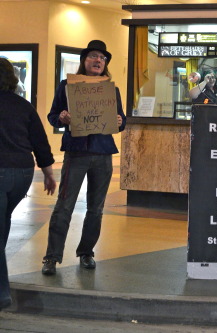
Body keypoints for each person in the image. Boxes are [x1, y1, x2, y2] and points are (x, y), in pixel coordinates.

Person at [42, 40, 126, 275]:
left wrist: (121, 122)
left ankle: (86, 252)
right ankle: (51, 257)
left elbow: (120, 118)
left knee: (96, 209)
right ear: (84, 60)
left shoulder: (112, 89)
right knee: (64, 206)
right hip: (76, 152)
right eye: (94, 56)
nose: (98, 60)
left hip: (103, 153)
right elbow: (52, 115)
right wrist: (62, 118)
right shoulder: (66, 86)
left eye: (102, 58)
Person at [0, 58, 57, 309]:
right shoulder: (24, 106)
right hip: (22, 174)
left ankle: (2, 293)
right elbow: (40, 142)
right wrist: (48, 173)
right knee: (3, 221)